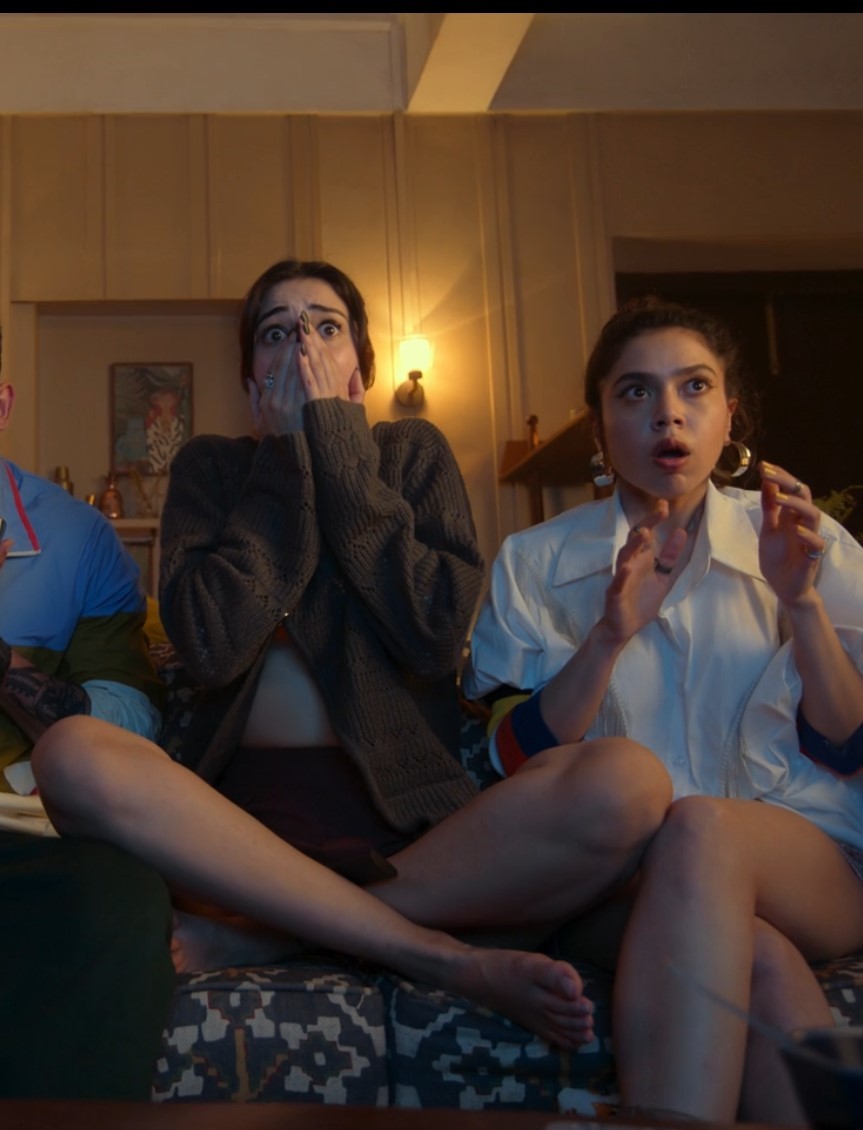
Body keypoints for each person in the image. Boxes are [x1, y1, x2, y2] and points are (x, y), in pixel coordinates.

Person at [29, 258, 687, 1051]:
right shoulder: (212, 466)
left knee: (626, 782)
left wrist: (338, 449)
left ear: (360, 370)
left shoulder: (412, 454)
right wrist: (285, 458)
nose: (301, 345)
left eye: (325, 326)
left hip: (414, 842)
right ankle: (435, 951)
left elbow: (432, 634)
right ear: (251, 380)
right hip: (227, 841)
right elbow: (207, 647)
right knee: (69, 751)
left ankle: (274, 933)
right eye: (276, 332)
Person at [462, 296, 863, 1124]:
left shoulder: (801, 538)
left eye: (694, 387)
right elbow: (509, 761)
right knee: (754, 954)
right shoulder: (534, 560)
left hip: (806, 867)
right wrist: (607, 636)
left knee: (701, 828)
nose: (667, 414)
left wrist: (800, 604)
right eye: (635, 392)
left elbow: (848, 744)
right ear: (599, 427)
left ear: (729, 416)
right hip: (614, 886)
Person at [0, 372, 174, 1098]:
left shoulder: (77, 537)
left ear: (2, 404)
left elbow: (132, 718)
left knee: (119, 899)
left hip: (21, 839)